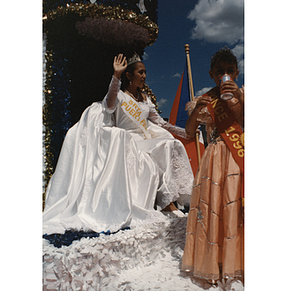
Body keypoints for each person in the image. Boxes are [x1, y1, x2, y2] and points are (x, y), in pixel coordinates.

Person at [43, 53, 194, 235]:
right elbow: (108, 105)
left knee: (172, 144)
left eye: (145, 72)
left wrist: (186, 132)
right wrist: (116, 76)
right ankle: (166, 203)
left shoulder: (145, 98)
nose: (145, 76)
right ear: (129, 75)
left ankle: (169, 198)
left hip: (147, 139)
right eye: (141, 72)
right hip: (130, 141)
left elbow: (161, 123)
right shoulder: (120, 95)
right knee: (164, 146)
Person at [181, 47, 244, 285]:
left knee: (235, 207)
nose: (224, 75)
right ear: (211, 74)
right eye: (220, 71)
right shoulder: (206, 98)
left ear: (236, 73)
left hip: (239, 155)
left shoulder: (245, 94)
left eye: (229, 70)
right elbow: (188, 131)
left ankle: (237, 262)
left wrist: (238, 96)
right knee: (214, 206)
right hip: (215, 156)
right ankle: (216, 260)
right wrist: (198, 107)